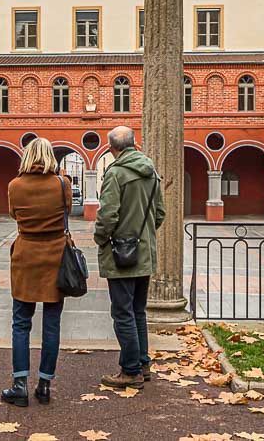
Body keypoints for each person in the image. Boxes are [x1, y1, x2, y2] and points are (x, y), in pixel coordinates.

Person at [0, 137, 73, 407]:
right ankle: (44, 385)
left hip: (26, 256)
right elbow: (67, 210)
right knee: (52, 323)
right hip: (56, 257)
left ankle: (19, 385)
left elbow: (13, 215)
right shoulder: (62, 184)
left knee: (21, 322)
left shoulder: (15, 185)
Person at [93, 126, 164, 388]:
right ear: (135, 144)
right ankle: (143, 364)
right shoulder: (151, 172)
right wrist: (142, 236)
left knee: (122, 313)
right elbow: (159, 213)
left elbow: (107, 216)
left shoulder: (116, 173)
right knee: (138, 312)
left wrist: (101, 238)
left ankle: (130, 371)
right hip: (144, 253)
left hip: (121, 254)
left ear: (112, 148)